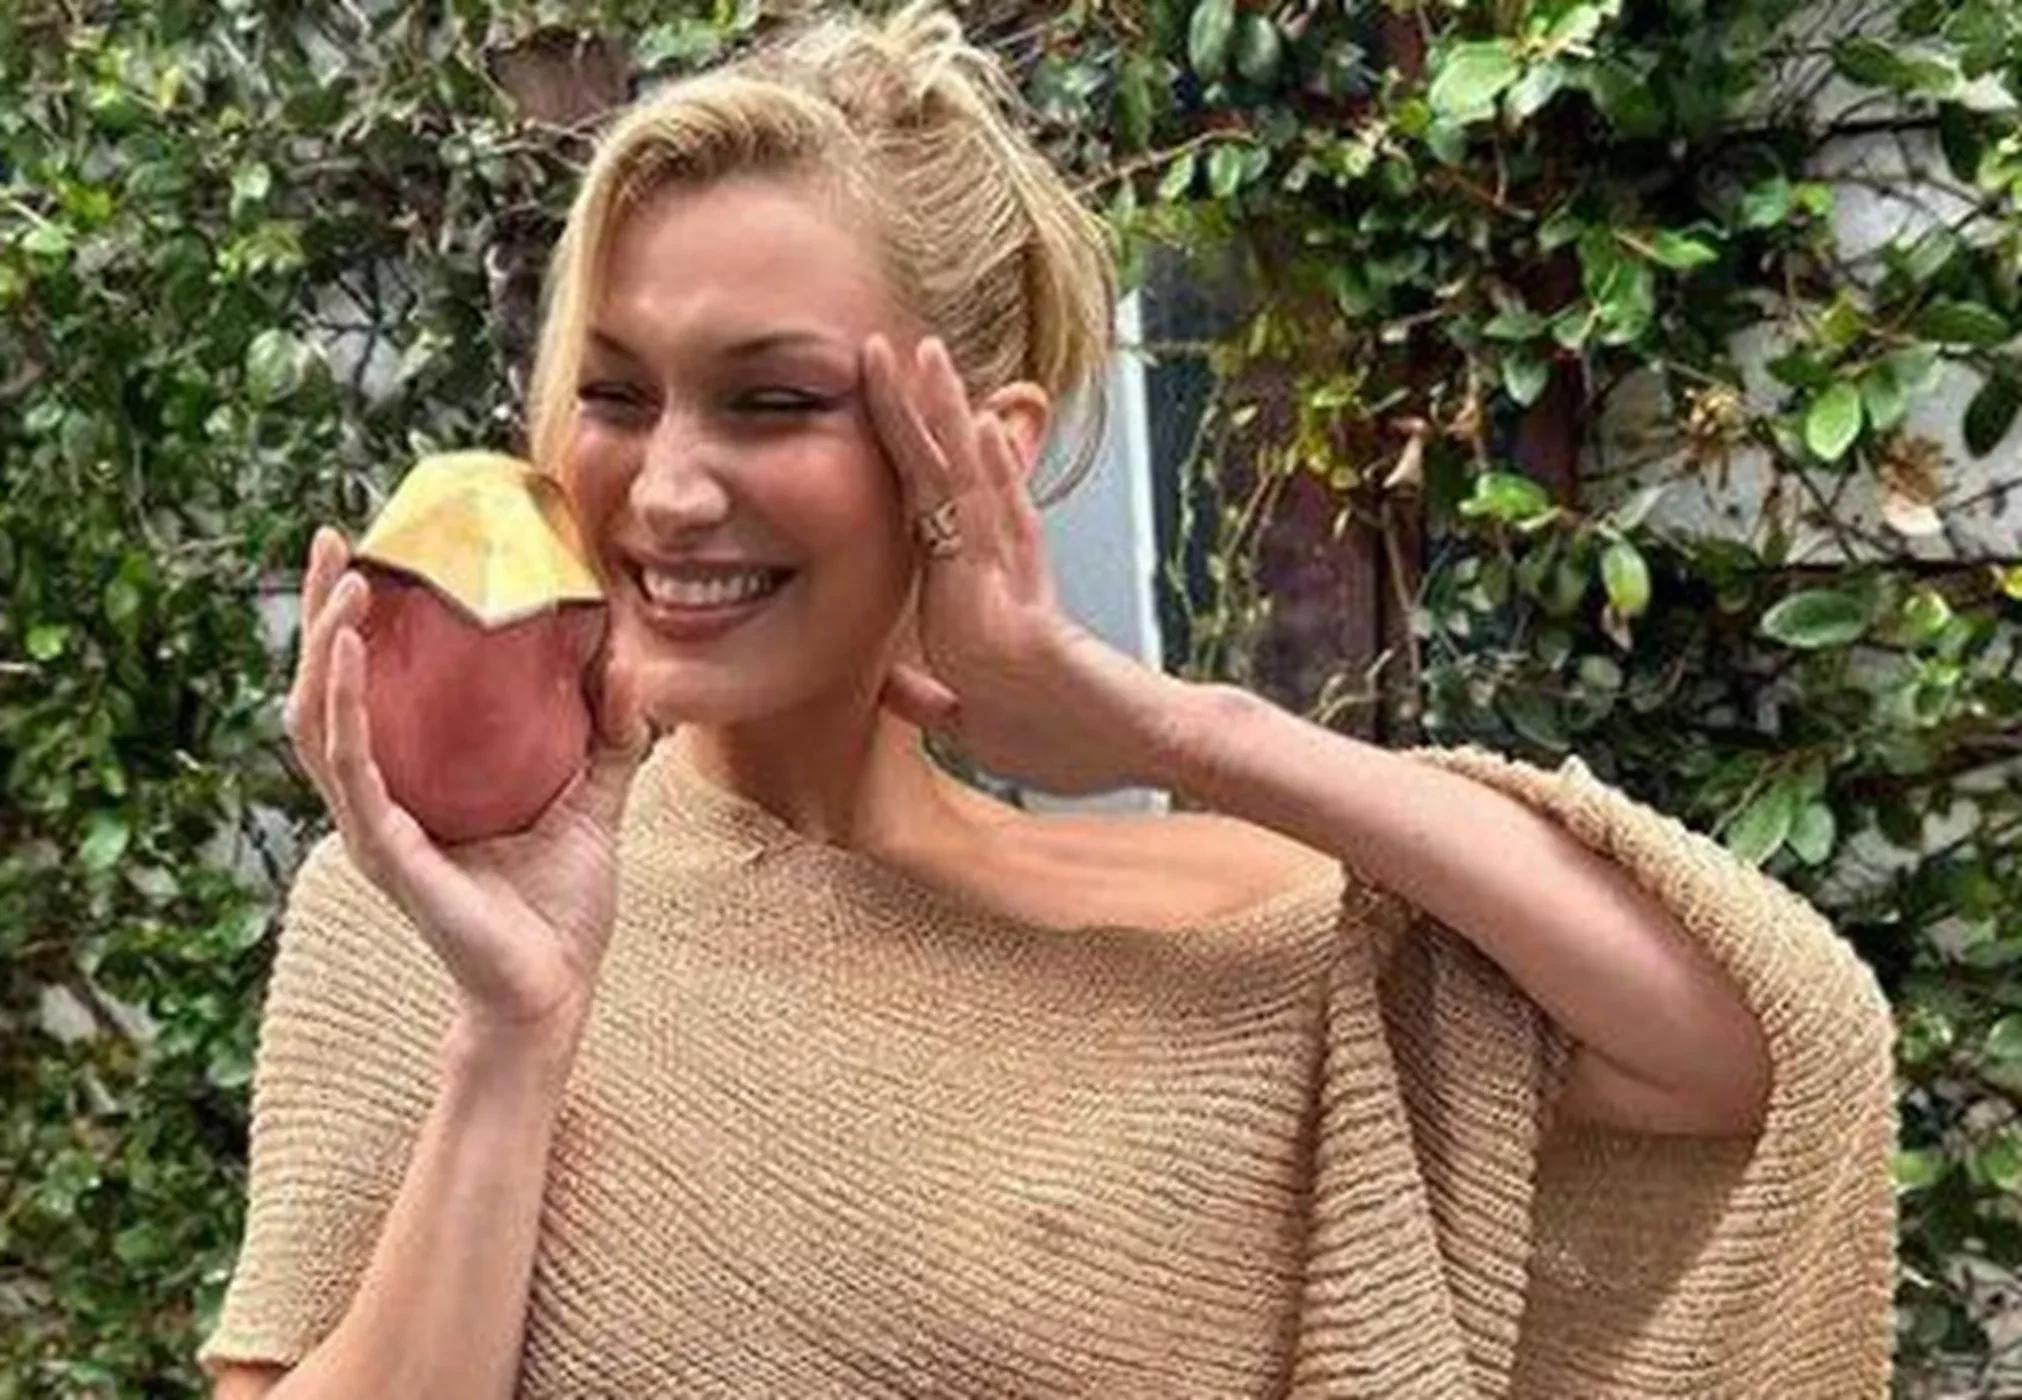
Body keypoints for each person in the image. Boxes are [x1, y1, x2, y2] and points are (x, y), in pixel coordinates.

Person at [201, 6, 1896, 1396]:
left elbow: (1762, 1051)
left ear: (977, 452)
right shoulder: (440, 904)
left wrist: (1176, 731)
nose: (668, 490)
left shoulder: (1243, 943)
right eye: (618, 396)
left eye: (772, 402)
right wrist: (510, 1044)